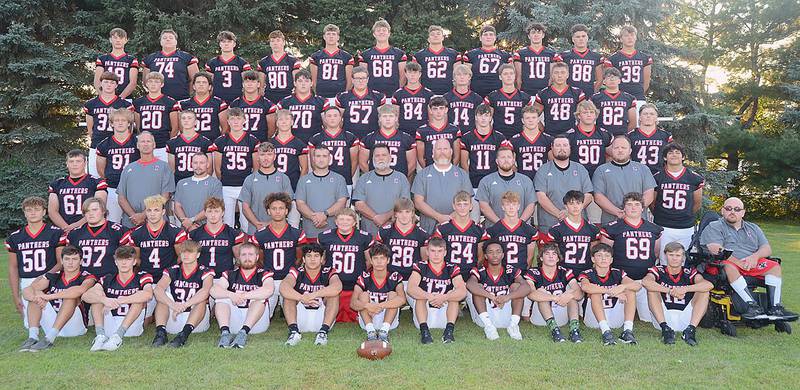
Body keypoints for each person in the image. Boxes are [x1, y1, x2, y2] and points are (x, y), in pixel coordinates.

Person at [700, 197, 797, 320]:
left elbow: (766, 248)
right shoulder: (714, 226)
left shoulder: (753, 228)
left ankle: (775, 308)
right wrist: (738, 262)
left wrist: (755, 257)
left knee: (774, 267)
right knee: (727, 265)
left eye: (737, 209)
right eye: (728, 208)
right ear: (722, 210)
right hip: (724, 264)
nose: (732, 212)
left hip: (750, 263)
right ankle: (752, 306)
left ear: (743, 212)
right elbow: (716, 249)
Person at [600, 192, 663, 322]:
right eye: (629, 204)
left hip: (644, 280)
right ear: (623, 208)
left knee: (648, 318)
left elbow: (656, 253)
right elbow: (604, 254)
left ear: (642, 208)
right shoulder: (612, 228)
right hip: (620, 280)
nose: (633, 208)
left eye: (637, 204)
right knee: (616, 320)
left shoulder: (654, 229)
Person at [120, 195, 187, 317]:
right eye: (149, 210)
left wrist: (169, 273)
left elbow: (181, 258)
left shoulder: (175, 232)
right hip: (147, 279)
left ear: (163, 211)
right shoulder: (137, 233)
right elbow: (137, 260)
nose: (152, 214)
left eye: (156, 210)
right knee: (143, 317)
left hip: (167, 279)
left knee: (170, 313)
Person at [19, 246, 96, 352]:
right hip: (53, 322)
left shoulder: (87, 276)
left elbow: (79, 290)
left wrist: (48, 296)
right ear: (62, 261)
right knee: (35, 295)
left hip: (75, 327)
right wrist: (36, 298)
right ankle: (33, 337)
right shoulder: (54, 276)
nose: (70, 263)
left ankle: (49, 339)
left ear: (81, 261)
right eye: (67, 259)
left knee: (70, 298)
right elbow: (27, 290)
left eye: (74, 259)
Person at [6, 196, 65, 329]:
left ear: (44, 212)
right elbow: (13, 268)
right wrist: (16, 296)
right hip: (27, 281)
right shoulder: (15, 237)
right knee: (30, 324)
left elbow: (60, 262)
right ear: (24, 213)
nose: (33, 213)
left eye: (37, 209)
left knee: (56, 326)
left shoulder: (55, 233)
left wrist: (44, 278)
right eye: (29, 210)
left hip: (50, 279)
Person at [82, 246, 153, 351]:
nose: (124, 263)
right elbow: (85, 296)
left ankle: (118, 336)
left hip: (131, 326)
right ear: (115, 262)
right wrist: (104, 300)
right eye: (120, 259)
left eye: (128, 259)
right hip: (109, 324)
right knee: (97, 298)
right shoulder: (108, 278)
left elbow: (148, 294)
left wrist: (120, 300)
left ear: (134, 262)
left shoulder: (142, 276)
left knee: (139, 299)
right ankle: (100, 336)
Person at [249, 192, 309, 317]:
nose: (277, 212)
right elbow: (257, 259)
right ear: (268, 211)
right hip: (268, 280)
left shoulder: (296, 233)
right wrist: (266, 274)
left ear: (287, 211)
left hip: (289, 280)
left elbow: (300, 259)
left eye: (281, 208)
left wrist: (291, 276)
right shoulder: (260, 235)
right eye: (274, 208)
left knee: (296, 315)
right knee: (262, 317)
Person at [642, 242, 712, 346]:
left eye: (678, 255)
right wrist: (670, 291)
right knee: (652, 289)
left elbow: (708, 285)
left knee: (704, 291)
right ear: (665, 255)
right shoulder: (659, 270)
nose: (674, 258)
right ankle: (665, 330)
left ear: (683, 257)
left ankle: (690, 330)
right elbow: (645, 282)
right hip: (663, 316)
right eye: (671, 255)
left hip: (686, 317)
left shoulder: (689, 272)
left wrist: (685, 289)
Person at [151, 240, 214, 347]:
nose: (186, 255)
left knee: (201, 300)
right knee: (163, 297)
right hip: (175, 315)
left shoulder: (206, 272)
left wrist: (185, 305)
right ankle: (161, 333)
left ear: (198, 255)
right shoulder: (172, 270)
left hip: (196, 321)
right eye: (183, 252)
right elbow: (158, 289)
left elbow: (205, 291)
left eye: (190, 252)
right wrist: (173, 305)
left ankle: (184, 335)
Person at [211, 242, 274, 348]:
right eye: (244, 255)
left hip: (256, 323)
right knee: (221, 299)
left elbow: (268, 290)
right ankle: (225, 333)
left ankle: (243, 333)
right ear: (239, 257)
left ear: (257, 257)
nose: (247, 258)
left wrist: (243, 296)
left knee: (260, 299)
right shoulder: (230, 274)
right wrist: (231, 295)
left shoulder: (264, 274)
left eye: (251, 254)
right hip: (233, 321)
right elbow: (214, 290)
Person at [407, 237, 467, 344]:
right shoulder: (420, 266)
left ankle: (449, 331)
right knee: (420, 295)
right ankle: (424, 331)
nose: (436, 255)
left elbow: (462, 291)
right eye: (433, 251)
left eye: (439, 251)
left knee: (453, 294)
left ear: (445, 253)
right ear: (427, 252)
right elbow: (411, 288)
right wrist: (429, 296)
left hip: (444, 311)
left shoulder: (452, 268)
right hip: (424, 313)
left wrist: (444, 297)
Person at [318, 209, 374, 323]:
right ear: (336, 221)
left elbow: (369, 261)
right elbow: (321, 261)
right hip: (332, 285)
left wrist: (359, 273)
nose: (344, 222)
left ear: (354, 222)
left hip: (355, 285)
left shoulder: (364, 237)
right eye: (341, 219)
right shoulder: (325, 237)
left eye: (348, 219)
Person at [281, 243, 342, 346]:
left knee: (333, 295)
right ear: (304, 259)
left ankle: (323, 332)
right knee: (288, 296)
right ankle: (294, 332)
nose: (312, 259)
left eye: (316, 256)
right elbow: (283, 287)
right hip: (300, 318)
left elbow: (337, 287)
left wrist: (313, 295)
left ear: (322, 259)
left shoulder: (328, 271)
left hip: (322, 318)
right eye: (309, 256)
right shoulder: (297, 271)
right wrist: (301, 297)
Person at [466, 240, 529, 340]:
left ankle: (513, 325)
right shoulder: (480, 270)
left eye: (498, 251)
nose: (495, 255)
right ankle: (489, 327)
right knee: (478, 288)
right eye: (490, 252)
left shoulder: (510, 270)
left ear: (503, 255)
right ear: (486, 256)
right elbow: (470, 284)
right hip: (485, 316)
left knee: (517, 287)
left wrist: (507, 297)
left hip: (506, 314)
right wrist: (490, 296)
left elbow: (526, 287)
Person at [578, 244, 640, 345]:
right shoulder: (587, 273)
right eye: (599, 255)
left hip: (615, 315)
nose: (603, 259)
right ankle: (605, 331)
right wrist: (611, 292)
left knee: (630, 290)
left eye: (607, 256)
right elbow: (585, 287)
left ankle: (627, 331)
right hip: (594, 319)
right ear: (593, 259)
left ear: (611, 260)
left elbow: (637, 285)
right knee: (595, 293)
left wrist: (622, 287)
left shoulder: (617, 273)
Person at [653, 143, 704, 265]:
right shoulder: (658, 177)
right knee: (664, 259)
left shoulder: (694, 178)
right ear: (665, 157)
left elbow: (697, 203)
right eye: (670, 153)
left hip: (685, 226)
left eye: (677, 152)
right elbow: (653, 202)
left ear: (683, 157)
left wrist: (685, 214)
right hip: (663, 226)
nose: (674, 155)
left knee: (684, 260)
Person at [210, 108, 261, 232]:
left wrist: (251, 184)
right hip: (227, 186)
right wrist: (224, 181)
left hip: (245, 186)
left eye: (238, 118)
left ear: (244, 120)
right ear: (227, 121)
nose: (236, 122)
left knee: (246, 223)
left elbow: (256, 167)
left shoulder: (252, 140)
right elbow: (217, 167)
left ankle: (247, 249)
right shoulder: (221, 141)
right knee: (227, 223)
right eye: (232, 119)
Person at [526, 243, 584, 343]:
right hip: (541, 317)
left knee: (572, 296)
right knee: (541, 293)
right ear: (541, 258)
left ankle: (574, 330)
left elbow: (579, 294)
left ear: (558, 258)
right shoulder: (533, 272)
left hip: (562, 315)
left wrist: (568, 295)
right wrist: (554, 297)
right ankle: (554, 330)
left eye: (554, 254)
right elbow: (531, 294)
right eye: (547, 254)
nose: (551, 256)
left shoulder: (564, 272)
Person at [117, 131, 176, 229]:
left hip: (156, 223)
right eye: (142, 141)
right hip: (131, 222)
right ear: (137, 145)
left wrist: (144, 215)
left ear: (154, 145)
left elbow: (165, 196)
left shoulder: (164, 167)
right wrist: (134, 217)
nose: (145, 144)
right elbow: (121, 198)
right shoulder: (128, 168)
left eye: (148, 141)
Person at [412, 139, 472, 233]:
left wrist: (449, 218)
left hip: (456, 225)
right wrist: (439, 217)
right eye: (439, 149)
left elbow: (467, 200)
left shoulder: (462, 174)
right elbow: (418, 203)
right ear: (433, 152)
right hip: (429, 226)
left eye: (445, 149)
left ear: (451, 152)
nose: (442, 152)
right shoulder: (422, 174)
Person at [592, 135, 656, 224]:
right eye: (616, 147)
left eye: (623, 147)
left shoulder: (643, 169)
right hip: (611, 222)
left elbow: (649, 194)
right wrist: (618, 213)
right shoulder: (601, 170)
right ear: (611, 150)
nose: (620, 150)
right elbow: (598, 197)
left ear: (630, 151)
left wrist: (634, 211)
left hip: (639, 223)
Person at [534, 137, 594, 229]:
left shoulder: (580, 169)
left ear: (570, 147)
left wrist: (570, 213)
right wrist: (560, 214)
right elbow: (540, 197)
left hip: (578, 225)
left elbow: (588, 196)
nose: (562, 148)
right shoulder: (543, 170)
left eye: (565, 145)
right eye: (558, 145)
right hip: (550, 225)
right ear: (552, 148)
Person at [350, 243, 406, 342]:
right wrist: (367, 306)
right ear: (371, 260)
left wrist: (380, 306)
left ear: (388, 260)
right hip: (368, 318)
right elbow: (353, 303)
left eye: (382, 258)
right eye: (375, 258)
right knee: (363, 295)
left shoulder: (395, 276)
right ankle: (370, 331)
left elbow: (402, 299)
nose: (379, 262)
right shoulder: (364, 277)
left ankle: (384, 332)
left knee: (393, 295)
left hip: (389, 320)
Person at [352, 144, 411, 235]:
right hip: (369, 231)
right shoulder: (364, 178)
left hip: (395, 231)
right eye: (377, 155)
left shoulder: (401, 178)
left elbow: (404, 204)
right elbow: (359, 204)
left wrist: (384, 218)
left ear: (390, 157)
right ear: (372, 159)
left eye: (384, 155)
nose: (381, 158)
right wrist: (376, 217)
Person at [432, 191, 489, 282]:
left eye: (465, 204)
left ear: (471, 206)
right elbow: (436, 254)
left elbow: (481, 257)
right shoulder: (443, 228)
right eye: (459, 204)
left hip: (470, 276)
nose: (462, 208)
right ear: (454, 206)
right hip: (448, 275)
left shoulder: (479, 230)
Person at [460, 104, 507, 212]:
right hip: (474, 182)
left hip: (494, 182)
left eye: (486, 116)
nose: (483, 118)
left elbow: (503, 161)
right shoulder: (467, 137)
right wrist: (468, 180)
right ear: (475, 117)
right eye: (480, 115)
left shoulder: (499, 137)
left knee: (496, 216)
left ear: (491, 118)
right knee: (474, 218)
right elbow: (464, 162)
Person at [96, 107, 139, 223]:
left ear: (129, 123)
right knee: (112, 222)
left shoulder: (138, 142)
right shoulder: (104, 144)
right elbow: (101, 169)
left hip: (134, 189)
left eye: (123, 120)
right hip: (112, 188)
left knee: (135, 223)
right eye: (117, 120)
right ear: (111, 123)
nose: (120, 123)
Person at [239, 143, 294, 234]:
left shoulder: (283, 178)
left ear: (274, 156)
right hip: (255, 230)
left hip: (278, 230)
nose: (266, 158)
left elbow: (287, 205)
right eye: (262, 155)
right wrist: (258, 224)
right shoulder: (250, 179)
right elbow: (245, 207)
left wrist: (270, 224)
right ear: (258, 157)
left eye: (269, 154)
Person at [47, 149, 108, 232]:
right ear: (67, 164)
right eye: (71, 161)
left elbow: (99, 208)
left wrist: (76, 226)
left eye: (78, 161)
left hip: (89, 227)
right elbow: (52, 211)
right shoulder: (57, 184)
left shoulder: (96, 182)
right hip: (64, 228)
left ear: (85, 163)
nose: (74, 164)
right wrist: (66, 228)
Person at [85, 74, 134, 176]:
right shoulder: (91, 104)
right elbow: (90, 129)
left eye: (112, 83)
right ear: (101, 83)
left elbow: (130, 128)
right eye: (106, 82)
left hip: (119, 147)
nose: (109, 85)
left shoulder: (125, 105)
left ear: (116, 85)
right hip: (97, 144)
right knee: (96, 178)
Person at [295, 147, 349, 239]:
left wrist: (325, 214)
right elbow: (300, 204)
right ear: (313, 158)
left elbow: (341, 202)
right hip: (310, 232)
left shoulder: (339, 179)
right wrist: (315, 218)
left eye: (324, 156)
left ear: (329, 159)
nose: (321, 159)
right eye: (318, 156)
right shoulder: (303, 180)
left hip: (333, 233)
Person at [65, 197, 126, 278]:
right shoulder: (75, 234)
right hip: (82, 279)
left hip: (110, 279)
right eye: (87, 211)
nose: (90, 213)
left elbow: (128, 259)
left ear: (103, 211)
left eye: (94, 210)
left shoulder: (118, 231)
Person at [544, 190, 601, 275]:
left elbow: (595, 253)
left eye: (578, 203)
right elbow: (552, 254)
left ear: (582, 205)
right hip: (564, 273)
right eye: (571, 204)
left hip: (586, 272)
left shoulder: (592, 229)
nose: (575, 207)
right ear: (566, 207)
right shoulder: (556, 230)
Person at [476, 147, 536, 226]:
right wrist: (500, 224)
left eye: (509, 157)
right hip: (495, 229)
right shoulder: (486, 181)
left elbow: (531, 205)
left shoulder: (526, 180)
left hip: (521, 231)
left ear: (513, 160)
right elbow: (483, 206)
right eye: (503, 157)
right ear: (497, 161)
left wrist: (519, 224)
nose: (506, 160)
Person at [375, 198, 429, 284]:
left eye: (407, 212)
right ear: (395, 214)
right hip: (389, 278)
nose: (404, 216)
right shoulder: (385, 232)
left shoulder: (421, 234)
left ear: (412, 213)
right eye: (400, 212)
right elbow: (377, 258)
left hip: (412, 279)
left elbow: (424, 260)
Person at [188, 197, 246, 277]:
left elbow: (239, 260)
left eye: (216, 211)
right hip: (201, 278)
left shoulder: (234, 234)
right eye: (209, 211)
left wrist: (233, 276)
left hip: (225, 278)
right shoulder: (194, 234)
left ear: (223, 213)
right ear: (205, 213)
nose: (213, 215)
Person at [308, 106, 360, 193]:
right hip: (323, 180)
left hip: (344, 180)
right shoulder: (315, 139)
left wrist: (347, 177)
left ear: (340, 118)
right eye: (329, 116)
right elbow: (314, 163)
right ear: (324, 119)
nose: (332, 118)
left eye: (335, 115)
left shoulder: (350, 137)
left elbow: (354, 162)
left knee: (344, 206)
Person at [358, 104, 416, 179]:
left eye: (391, 116)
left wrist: (401, 179)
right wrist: (373, 177)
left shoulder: (407, 139)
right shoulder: (369, 139)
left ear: (396, 118)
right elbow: (362, 163)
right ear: (380, 118)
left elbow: (412, 164)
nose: (388, 119)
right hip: (376, 181)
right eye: (384, 116)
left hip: (398, 181)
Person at [603, 25, 653, 112]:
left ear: (636, 37)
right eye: (626, 36)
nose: (630, 38)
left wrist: (640, 92)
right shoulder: (612, 59)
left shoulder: (644, 58)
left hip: (638, 97)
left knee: (638, 124)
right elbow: (609, 81)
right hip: (620, 97)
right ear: (621, 39)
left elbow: (646, 80)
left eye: (632, 35)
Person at [486, 191, 539, 271]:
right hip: (502, 274)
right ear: (502, 207)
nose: (511, 208)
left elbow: (529, 258)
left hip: (521, 272)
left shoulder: (529, 230)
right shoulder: (494, 230)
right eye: (507, 204)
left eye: (514, 204)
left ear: (518, 206)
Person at [141, 29, 199, 101]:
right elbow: (145, 80)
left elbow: (195, 78)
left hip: (181, 98)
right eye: (164, 38)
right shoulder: (150, 58)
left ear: (176, 41)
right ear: (160, 42)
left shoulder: (186, 57)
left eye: (171, 38)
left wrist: (189, 94)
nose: (168, 39)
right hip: (157, 100)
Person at [133, 71, 178, 161]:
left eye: (156, 82)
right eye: (150, 81)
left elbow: (175, 127)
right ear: (146, 84)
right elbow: (138, 127)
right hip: (144, 145)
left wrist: (169, 143)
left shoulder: (170, 102)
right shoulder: (138, 102)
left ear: (162, 84)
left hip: (162, 144)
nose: (153, 84)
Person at [564, 100, 613, 179]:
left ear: (595, 115)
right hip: (577, 175)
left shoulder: (604, 134)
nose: (589, 115)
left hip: (599, 175)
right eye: (585, 112)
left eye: (591, 112)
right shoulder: (570, 135)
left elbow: (612, 155)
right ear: (579, 116)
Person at [173, 153, 223, 231]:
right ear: (191, 164)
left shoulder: (215, 183)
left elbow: (213, 207)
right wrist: (187, 223)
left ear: (208, 164)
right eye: (195, 163)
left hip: (208, 230)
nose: (198, 166)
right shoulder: (181, 183)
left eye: (202, 163)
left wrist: (192, 220)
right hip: (186, 229)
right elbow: (177, 206)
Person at [335, 65, 386, 140]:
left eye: (363, 78)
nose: (361, 81)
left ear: (368, 79)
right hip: (349, 136)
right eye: (357, 78)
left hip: (372, 136)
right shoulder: (342, 97)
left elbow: (382, 120)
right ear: (352, 79)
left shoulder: (378, 97)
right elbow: (337, 121)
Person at [534, 62, 585, 136]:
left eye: (563, 72)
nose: (559, 75)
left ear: (567, 75)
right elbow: (532, 115)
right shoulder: (543, 93)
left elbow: (583, 116)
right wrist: (542, 129)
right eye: (556, 73)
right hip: (550, 134)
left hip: (571, 134)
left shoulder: (577, 92)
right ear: (552, 75)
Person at [175, 72, 229, 141]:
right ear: (194, 86)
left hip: (211, 144)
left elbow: (225, 128)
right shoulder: (183, 104)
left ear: (210, 87)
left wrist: (217, 143)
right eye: (198, 82)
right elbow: (181, 128)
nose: (201, 84)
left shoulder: (219, 103)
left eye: (204, 82)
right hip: (192, 145)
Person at [275, 70, 327, 142]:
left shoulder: (321, 102)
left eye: (306, 81)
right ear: (295, 83)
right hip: (292, 143)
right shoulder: (285, 102)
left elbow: (326, 126)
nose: (303, 84)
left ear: (311, 83)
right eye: (300, 81)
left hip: (315, 142)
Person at [483, 63, 533, 139]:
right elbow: (486, 120)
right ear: (500, 77)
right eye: (505, 74)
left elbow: (529, 119)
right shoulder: (492, 97)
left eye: (511, 73)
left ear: (515, 76)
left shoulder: (525, 97)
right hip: (499, 136)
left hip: (519, 136)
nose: (509, 76)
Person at [359, 19, 407, 96]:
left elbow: (403, 76)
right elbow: (362, 76)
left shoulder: (399, 54)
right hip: (372, 95)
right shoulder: (365, 54)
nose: (381, 32)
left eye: (384, 30)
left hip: (392, 93)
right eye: (378, 30)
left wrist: (398, 92)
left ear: (389, 33)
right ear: (374, 34)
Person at [461, 25, 512, 97]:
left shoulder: (505, 55)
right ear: (480, 38)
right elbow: (466, 76)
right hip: (477, 92)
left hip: (498, 93)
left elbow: (510, 76)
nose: (488, 37)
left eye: (491, 34)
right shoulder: (471, 54)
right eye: (485, 35)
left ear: (495, 38)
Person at [166, 110, 214, 183]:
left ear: (195, 122)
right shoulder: (172, 142)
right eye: (183, 118)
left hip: (198, 182)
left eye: (189, 118)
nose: (186, 120)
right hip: (179, 182)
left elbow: (209, 168)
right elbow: (172, 169)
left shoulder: (205, 142)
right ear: (180, 121)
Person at [229, 70, 277, 142]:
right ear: (243, 84)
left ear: (258, 84)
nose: (249, 84)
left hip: (260, 143)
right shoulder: (235, 104)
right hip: (241, 143)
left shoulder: (268, 105)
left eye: (253, 81)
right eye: (247, 81)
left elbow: (271, 130)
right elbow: (230, 126)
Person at [205, 31, 252, 104]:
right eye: (223, 41)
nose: (226, 44)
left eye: (229, 41)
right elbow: (208, 84)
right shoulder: (212, 63)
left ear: (234, 44)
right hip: (217, 99)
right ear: (220, 44)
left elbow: (248, 83)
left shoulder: (242, 63)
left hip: (237, 99)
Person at [558, 24, 604, 98]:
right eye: (578, 37)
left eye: (583, 36)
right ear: (573, 39)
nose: (581, 39)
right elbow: (558, 77)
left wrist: (593, 94)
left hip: (588, 95)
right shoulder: (564, 56)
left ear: (587, 38)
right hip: (569, 95)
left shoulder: (596, 57)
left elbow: (600, 79)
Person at [509, 107, 553, 183]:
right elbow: (510, 163)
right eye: (527, 118)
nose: (530, 120)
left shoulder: (548, 139)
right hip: (523, 181)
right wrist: (517, 175)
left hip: (542, 180)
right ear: (522, 120)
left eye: (533, 117)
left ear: (538, 119)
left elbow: (552, 163)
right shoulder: (514, 140)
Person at [309, 24, 355, 99]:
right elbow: (314, 82)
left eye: (333, 34)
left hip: (339, 96)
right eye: (328, 34)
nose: (331, 36)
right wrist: (317, 94)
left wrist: (343, 96)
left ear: (338, 37)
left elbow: (349, 82)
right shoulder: (316, 57)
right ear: (324, 37)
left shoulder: (347, 57)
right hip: (321, 95)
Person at [513, 22, 559, 96]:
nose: (536, 35)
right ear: (529, 36)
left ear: (543, 35)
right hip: (526, 92)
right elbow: (518, 78)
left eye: (539, 32)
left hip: (545, 93)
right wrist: (519, 95)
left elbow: (552, 77)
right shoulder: (520, 53)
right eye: (533, 32)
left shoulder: (551, 54)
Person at [414, 25, 460, 95]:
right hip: (426, 93)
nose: (435, 36)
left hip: (448, 93)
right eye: (432, 34)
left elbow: (458, 75)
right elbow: (415, 76)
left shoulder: (453, 54)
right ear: (428, 39)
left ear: (443, 37)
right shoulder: (419, 55)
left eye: (438, 34)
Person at [416, 96, 461, 167]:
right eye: (435, 109)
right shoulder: (422, 131)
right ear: (430, 110)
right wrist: (428, 170)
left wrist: (450, 170)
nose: (438, 112)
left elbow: (457, 156)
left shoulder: (454, 130)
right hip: (430, 169)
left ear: (446, 110)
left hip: (449, 169)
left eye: (441, 108)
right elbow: (420, 158)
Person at [628, 103, 674, 174]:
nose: (648, 116)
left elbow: (671, 158)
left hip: (658, 175)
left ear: (656, 117)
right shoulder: (631, 136)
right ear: (640, 117)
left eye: (652, 114)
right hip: (636, 175)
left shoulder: (665, 136)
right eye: (645, 114)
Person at [258, 30, 301, 104]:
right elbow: (261, 87)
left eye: (278, 40)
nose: (275, 43)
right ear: (270, 44)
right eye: (272, 41)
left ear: (283, 42)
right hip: (270, 97)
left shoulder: (292, 61)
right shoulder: (263, 62)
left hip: (288, 96)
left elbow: (297, 82)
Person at [94, 28, 138, 99]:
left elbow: (133, 83)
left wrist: (120, 99)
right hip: (105, 98)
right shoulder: (102, 59)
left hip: (125, 98)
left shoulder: (131, 60)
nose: (118, 40)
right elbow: (97, 82)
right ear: (110, 40)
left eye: (121, 38)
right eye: (115, 38)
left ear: (126, 40)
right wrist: (105, 97)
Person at [590, 68, 637, 136]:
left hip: (621, 136)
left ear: (619, 81)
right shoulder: (595, 98)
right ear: (604, 81)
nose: (612, 79)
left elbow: (633, 123)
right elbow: (589, 120)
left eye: (615, 77)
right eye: (608, 77)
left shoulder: (629, 98)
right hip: (602, 136)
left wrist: (623, 135)